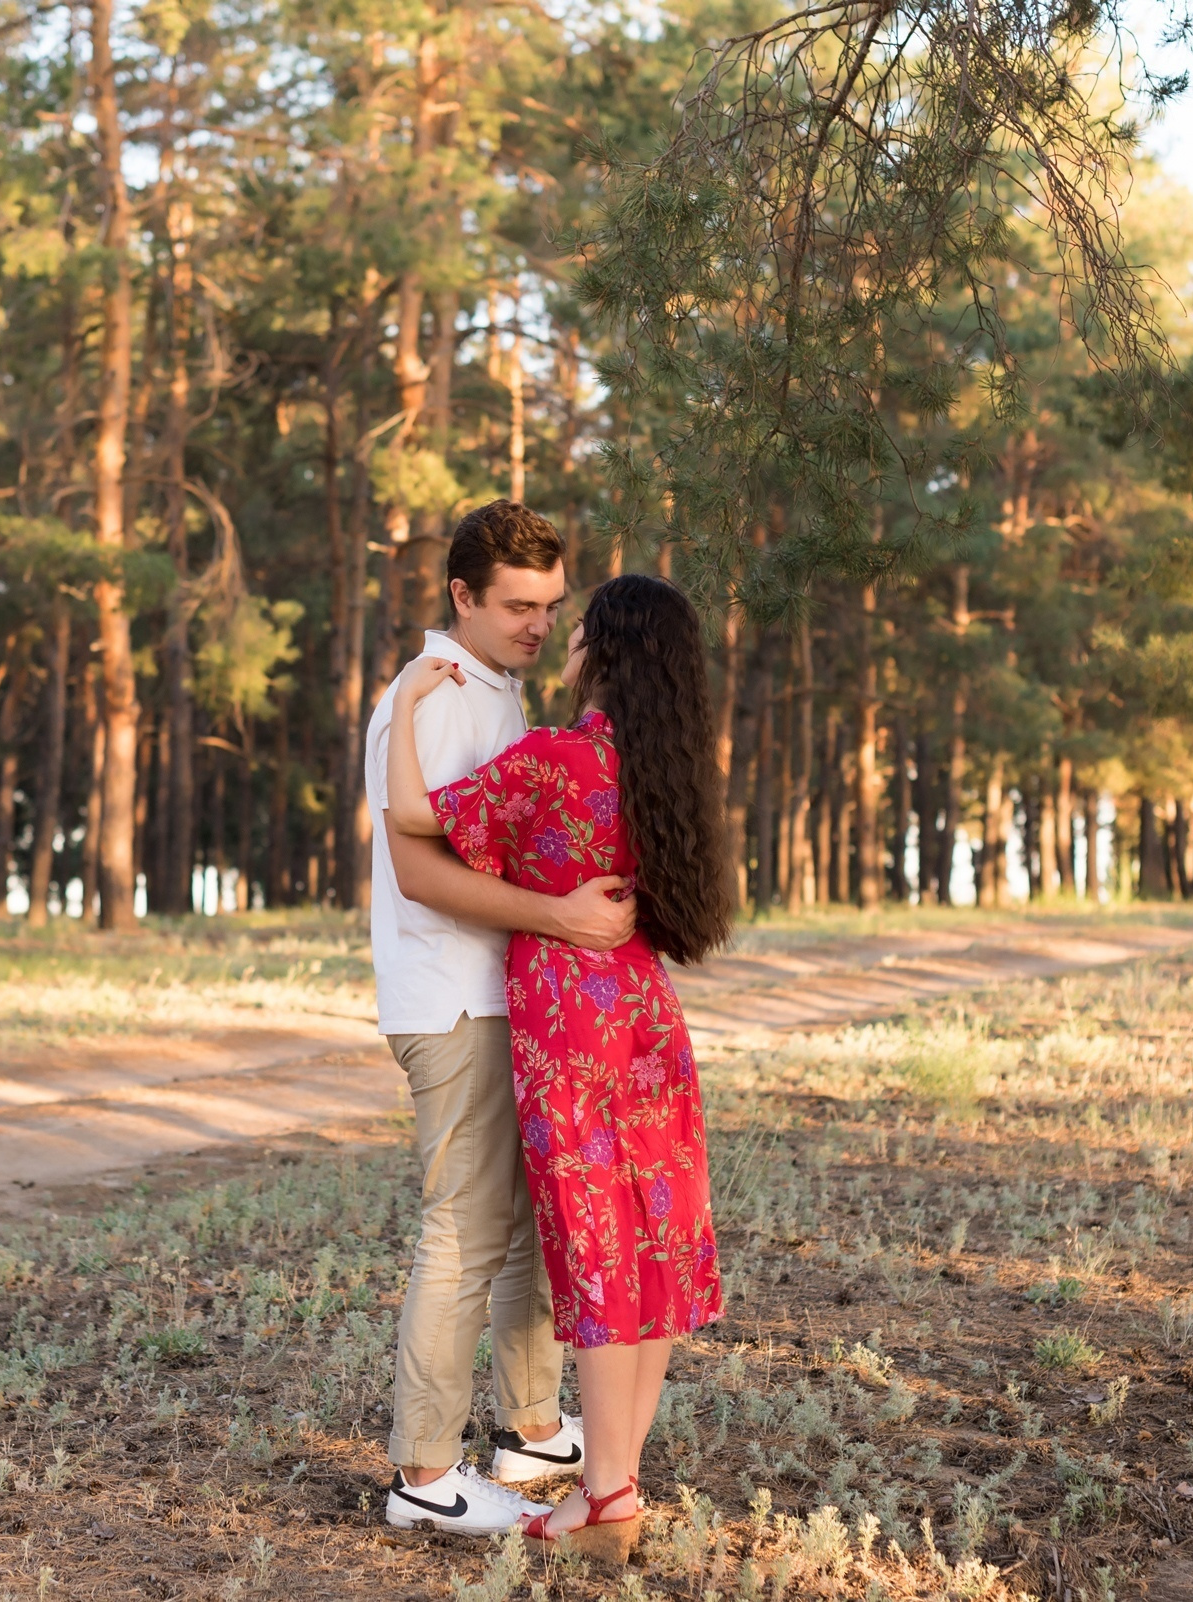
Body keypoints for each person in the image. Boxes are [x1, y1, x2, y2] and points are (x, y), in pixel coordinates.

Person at [386, 572, 733, 1564]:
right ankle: (610, 1484)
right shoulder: (670, 772)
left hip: (567, 1027)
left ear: (605, 652)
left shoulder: (552, 759)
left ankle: (610, 1493)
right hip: (645, 1019)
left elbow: (418, 821)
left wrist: (410, 701)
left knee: (595, 1253)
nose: (565, 644)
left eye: (579, 631)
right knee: (649, 1249)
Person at [366, 501, 640, 1535]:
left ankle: (530, 1429)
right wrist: (559, 917)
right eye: (517, 606)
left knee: (529, 1220)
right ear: (462, 599)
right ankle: (425, 1478)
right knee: (464, 1231)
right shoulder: (432, 700)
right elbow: (417, 865)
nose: (536, 624)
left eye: (550, 607)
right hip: (455, 999)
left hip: (510, 994)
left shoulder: (497, 689)